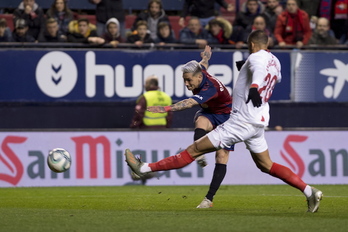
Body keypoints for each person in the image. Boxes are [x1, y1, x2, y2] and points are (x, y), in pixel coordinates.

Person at [125, 30, 323, 213]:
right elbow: (272, 78)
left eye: (248, 46)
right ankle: (309, 191)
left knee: (193, 150)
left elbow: (259, 70)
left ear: (252, 45)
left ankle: (143, 169)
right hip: (259, 121)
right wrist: (235, 68)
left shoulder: (256, 58)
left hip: (240, 122)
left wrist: (253, 85)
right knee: (266, 165)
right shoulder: (275, 61)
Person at [145, 45, 234, 208]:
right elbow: (203, 64)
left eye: (189, 80)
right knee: (200, 121)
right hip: (210, 113)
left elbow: (189, 103)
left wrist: (165, 108)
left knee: (221, 157)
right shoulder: (200, 71)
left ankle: (209, 199)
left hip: (226, 118)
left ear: (199, 78)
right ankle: (199, 153)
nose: (186, 84)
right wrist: (206, 56)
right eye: (184, 80)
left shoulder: (209, 88)